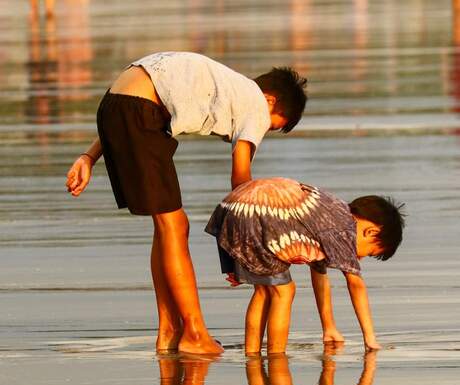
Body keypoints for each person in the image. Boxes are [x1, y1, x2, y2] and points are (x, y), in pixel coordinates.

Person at [65, 52, 308, 354]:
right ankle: (194, 333)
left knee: (167, 227)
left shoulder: (228, 84)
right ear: (271, 101)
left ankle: (169, 330)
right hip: (141, 110)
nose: (263, 132)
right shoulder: (256, 105)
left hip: (116, 105)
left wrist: (90, 156)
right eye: (272, 127)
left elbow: (127, 99)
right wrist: (257, 229)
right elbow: (240, 176)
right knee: (175, 225)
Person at [205, 177, 405, 354]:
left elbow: (319, 272)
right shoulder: (344, 230)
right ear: (370, 232)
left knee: (264, 291)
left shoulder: (330, 213)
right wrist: (370, 338)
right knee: (284, 291)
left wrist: (329, 327)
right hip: (257, 213)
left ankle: (252, 352)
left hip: (236, 206)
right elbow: (356, 285)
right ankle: (276, 355)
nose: (360, 260)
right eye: (369, 253)